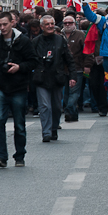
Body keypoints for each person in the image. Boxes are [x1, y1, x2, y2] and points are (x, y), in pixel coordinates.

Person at [0, 12, 38, 168]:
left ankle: (19, 155)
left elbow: (33, 61)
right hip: (0, 86)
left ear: (12, 23)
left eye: (5, 24)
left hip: (19, 87)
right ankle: (0, 155)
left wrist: (19, 67)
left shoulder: (24, 41)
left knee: (19, 124)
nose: (2, 28)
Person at [32, 15, 74, 143]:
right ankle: (46, 132)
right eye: (47, 24)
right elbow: (30, 61)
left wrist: (73, 77)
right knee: (45, 106)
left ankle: (54, 127)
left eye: (52, 24)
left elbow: (69, 60)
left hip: (57, 78)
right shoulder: (36, 42)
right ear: (41, 26)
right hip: (41, 79)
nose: (50, 26)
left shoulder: (60, 40)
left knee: (56, 107)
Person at [62, 14, 89, 121]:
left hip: (77, 68)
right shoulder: (60, 35)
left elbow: (87, 51)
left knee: (74, 92)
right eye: (65, 23)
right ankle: (73, 114)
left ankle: (68, 110)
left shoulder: (80, 35)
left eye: (70, 23)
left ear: (75, 24)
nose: (68, 25)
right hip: (62, 69)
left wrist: (87, 65)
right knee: (66, 93)